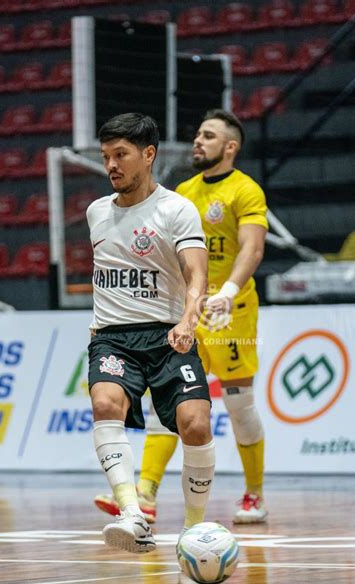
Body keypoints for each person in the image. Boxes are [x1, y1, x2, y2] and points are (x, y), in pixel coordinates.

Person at [95, 109, 268, 525]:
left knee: (239, 406)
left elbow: (252, 249)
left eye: (208, 136)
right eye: (197, 134)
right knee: (168, 409)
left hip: (230, 313)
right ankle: (146, 492)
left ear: (230, 147)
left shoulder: (246, 191)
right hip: (179, 313)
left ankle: (254, 494)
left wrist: (225, 293)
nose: (197, 142)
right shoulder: (183, 192)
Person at [87, 112, 215, 554]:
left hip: (167, 334)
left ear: (148, 154)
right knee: (105, 403)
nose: (111, 166)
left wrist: (188, 318)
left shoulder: (176, 208)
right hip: (113, 336)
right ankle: (132, 513)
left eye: (120, 155)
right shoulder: (96, 212)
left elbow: (197, 273)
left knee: (195, 426)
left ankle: (193, 531)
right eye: (106, 157)